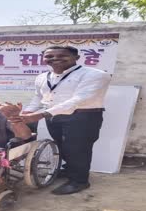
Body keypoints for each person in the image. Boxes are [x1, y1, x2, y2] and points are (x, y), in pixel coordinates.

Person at [20, 45, 110, 195]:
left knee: (78, 149)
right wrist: (28, 111)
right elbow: (39, 97)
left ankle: (79, 181)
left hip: (82, 117)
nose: (55, 59)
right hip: (53, 117)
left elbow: (79, 100)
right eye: (49, 56)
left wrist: (42, 114)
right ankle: (69, 170)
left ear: (77, 58)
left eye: (62, 55)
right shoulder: (42, 77)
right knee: (62, 147)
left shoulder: (95, 74)